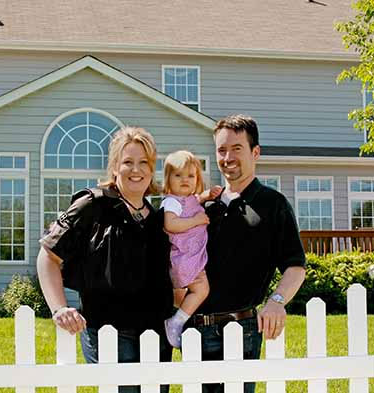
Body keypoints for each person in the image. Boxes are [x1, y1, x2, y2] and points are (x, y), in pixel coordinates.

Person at [37, 126, 174, 393]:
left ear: (152, 169)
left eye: (144, 162)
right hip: (108, 330)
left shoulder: (159, 218)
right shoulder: (92, 205)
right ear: (114, 167)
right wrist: (59, 308)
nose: (136, 170)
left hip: (155, 333)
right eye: (128, 162)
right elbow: (48, 256)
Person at [190, 115, 307, 393]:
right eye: (221, 150)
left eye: (236, 149)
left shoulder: (272, 204)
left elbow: (295, 265)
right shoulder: (205, 206)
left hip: (241, 330)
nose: (228, 157)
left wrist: (277, 301)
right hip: (195, 331)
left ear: (255, 152)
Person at [160, 150, 222, 348]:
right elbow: (170, 224)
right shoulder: (172, 202)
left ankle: (178, 317)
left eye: (191, 176)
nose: (185, 180)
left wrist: (207, 195)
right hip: (184, 258)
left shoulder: (189, 199)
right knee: (202, 289)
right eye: (178, 175)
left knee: (196, 290)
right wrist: (196, 220)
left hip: (191, 256)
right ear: (168, 180)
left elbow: (197, 199)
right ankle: (176, 321)